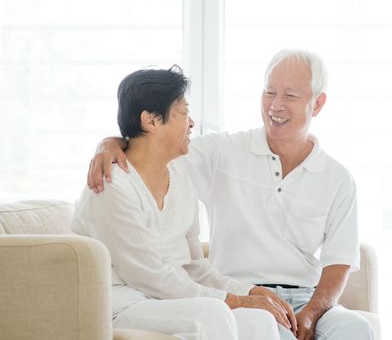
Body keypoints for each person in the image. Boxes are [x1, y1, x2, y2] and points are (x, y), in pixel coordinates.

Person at [88, 50, 374, 340]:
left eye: (289, 96)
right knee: (271, 329)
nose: (276, 104)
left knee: (356, 329)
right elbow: (149, 148)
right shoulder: (220, 153)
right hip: (232, 289)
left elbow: (338, 262)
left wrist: (310, 315)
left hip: (302, 297)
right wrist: (111, 143)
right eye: (269, 92)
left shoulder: (338, 179)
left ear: (318, 103)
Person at [72, 66, 288, 340]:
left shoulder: (182, 179)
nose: (192, 123)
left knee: (258, 320)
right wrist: (233, 300)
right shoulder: (112, 186)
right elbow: (148, 275)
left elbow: (194, 267)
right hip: (120, 303)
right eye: (184, 113)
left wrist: (250, 292)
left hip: (165, 299)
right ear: (150, 121)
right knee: (213, 313)